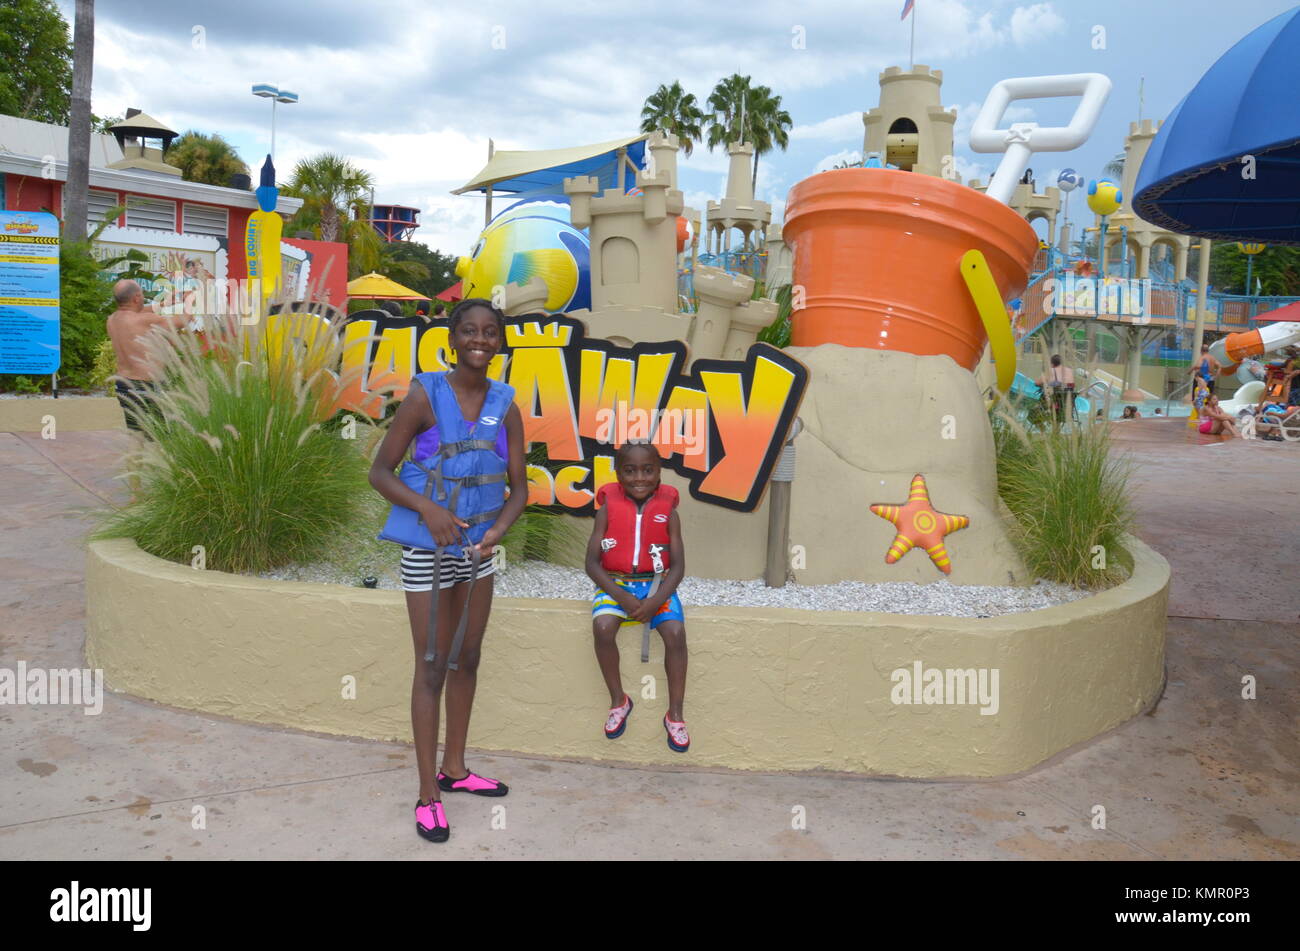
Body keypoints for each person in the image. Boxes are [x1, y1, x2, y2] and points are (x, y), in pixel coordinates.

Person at [368, 298, 527, 844]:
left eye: (489, 332)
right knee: (432, 664)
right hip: (428, 549)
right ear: (453, 338)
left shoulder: (506, 405)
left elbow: (520, 488)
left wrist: (498, 530)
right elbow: (380, 472)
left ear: (499, 342)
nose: (479, 340)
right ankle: (427, 794)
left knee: (469, 657)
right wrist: (429, 509)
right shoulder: (424, 394)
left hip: (478, 552)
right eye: (469, 331)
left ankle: (455, 770)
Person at [585, 441, 690, 753]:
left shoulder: (668, 512)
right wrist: (622, 597)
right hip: (616, 584)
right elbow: (591, 563)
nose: (639, 478)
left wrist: (656, 600)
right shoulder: (606, 510)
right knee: (603, 627)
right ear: (618, 473)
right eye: (630, 471)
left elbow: (679, 566)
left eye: (648, 470)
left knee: (675, 633)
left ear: (659, 472)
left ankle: (675, 715)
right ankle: (619, 700)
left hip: (656, 584)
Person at [105, 279, 191, 438]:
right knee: (161, 438)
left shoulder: (112, 320)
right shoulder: (145, 320)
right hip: (146, 386)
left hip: (123, 385)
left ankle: (137, 463)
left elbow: (135, 312)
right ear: (137, 297)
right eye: (142, 294)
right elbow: (184, 320)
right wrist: (191, 300)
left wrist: (164, 303)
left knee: (138, 436)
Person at [1037, 354, 1075, 420]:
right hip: (1067, 404)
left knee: (1033, 414)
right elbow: (1072, 385)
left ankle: (1042, 429)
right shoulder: (1070, 371)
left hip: (1053, 402)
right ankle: (1056, 429)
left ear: (1052, 363)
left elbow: (1037, 383)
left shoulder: (1051, 370)